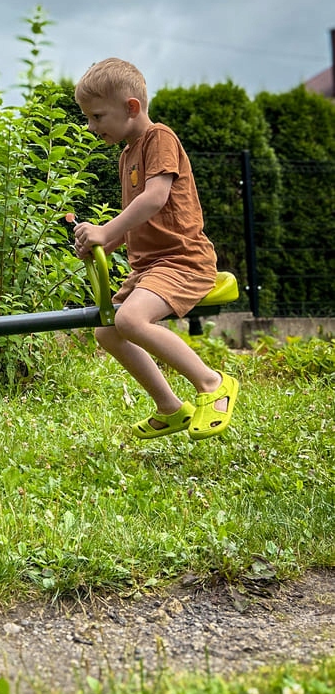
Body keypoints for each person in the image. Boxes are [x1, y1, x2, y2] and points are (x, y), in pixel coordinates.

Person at [72, 58, 238, 441]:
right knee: (107, 331)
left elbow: (155, 198)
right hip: (149, 268)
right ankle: (170, 407)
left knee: (130, 321)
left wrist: (105, 229)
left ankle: (212, 383)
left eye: (97, 116)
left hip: (183, 260)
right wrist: (103, 242)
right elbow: (137, 219)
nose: (91, 126)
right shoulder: (126, 155)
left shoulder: (159, 138)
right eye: (88, 118)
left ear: (131, 107)